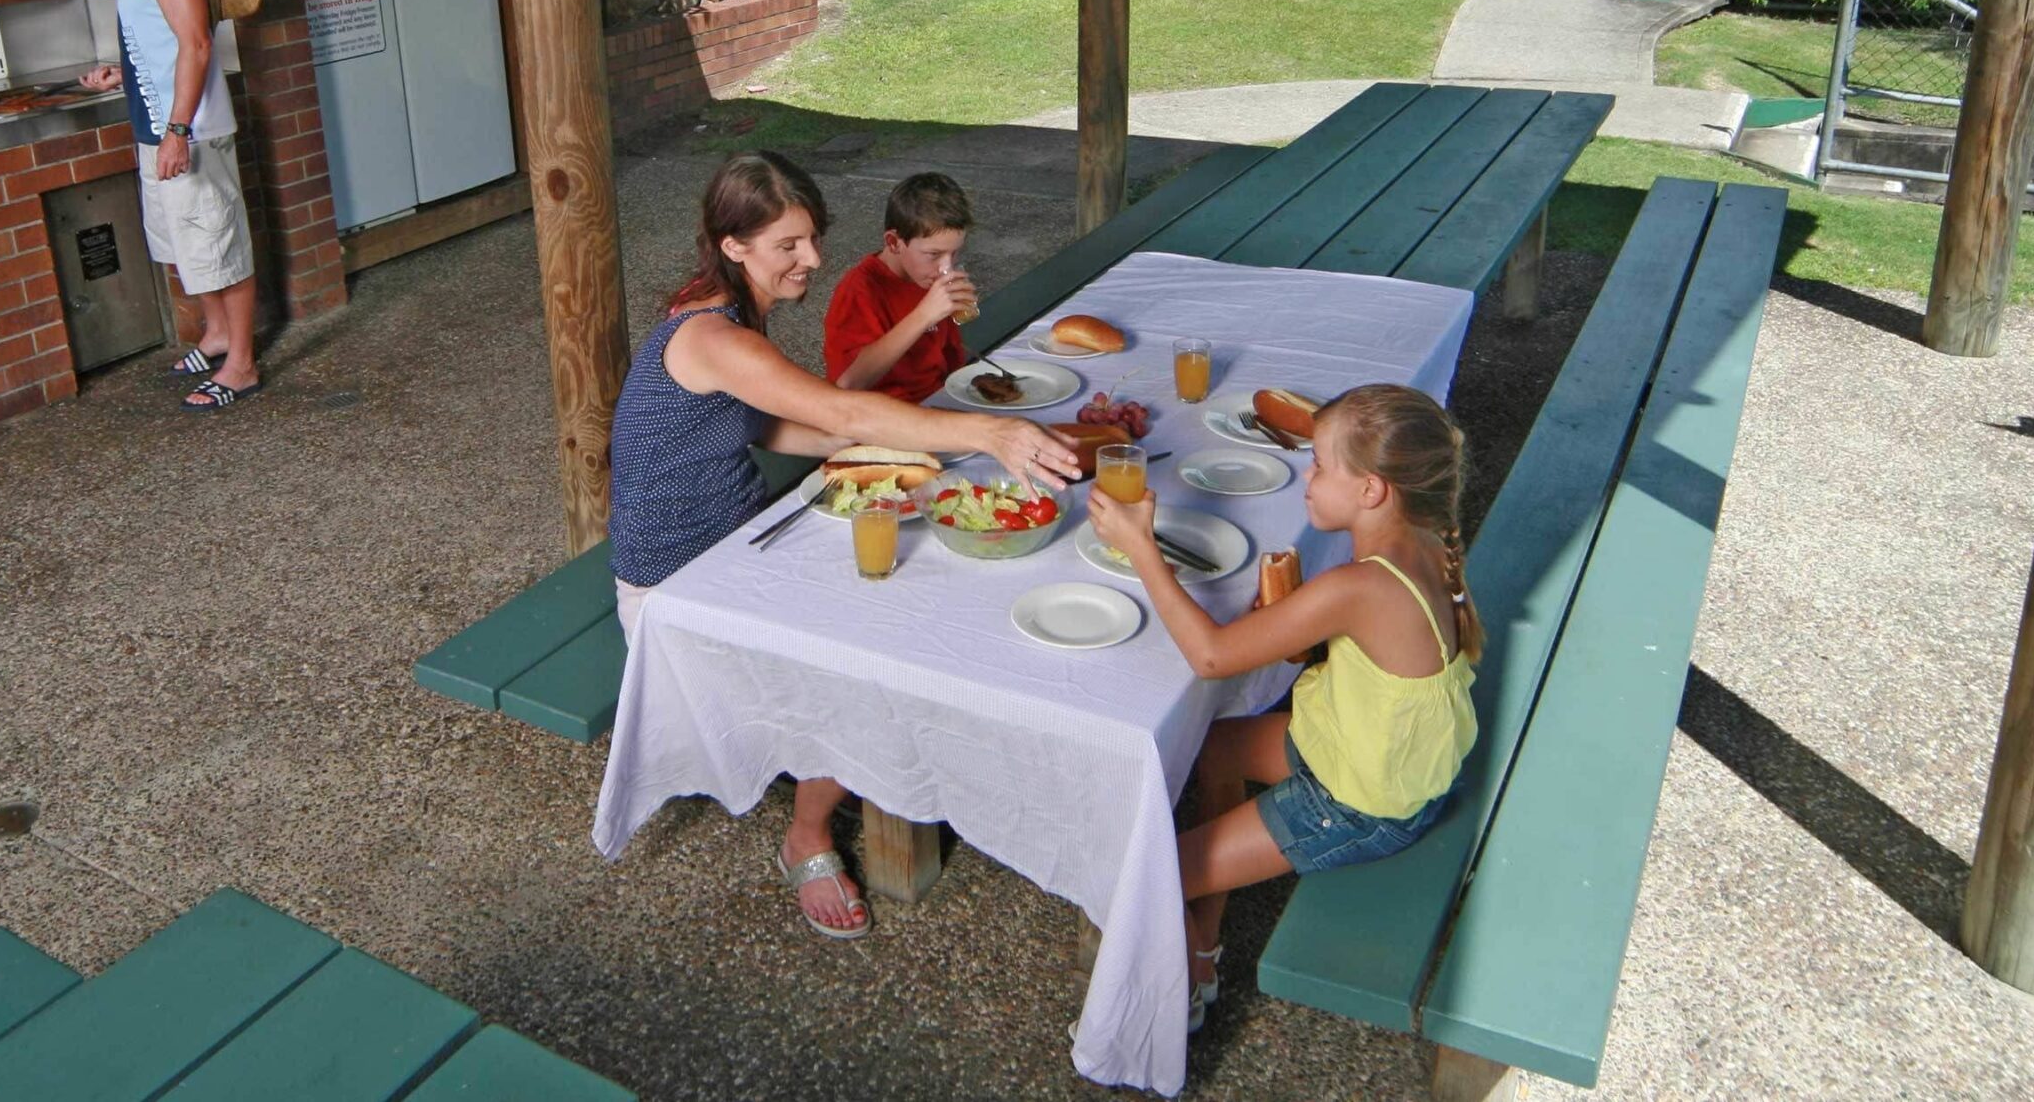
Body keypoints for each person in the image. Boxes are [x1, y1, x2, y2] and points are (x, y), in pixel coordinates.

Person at [611, 150, 1078, 942]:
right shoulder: (712, 335)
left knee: (904, 576)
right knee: (867, 645)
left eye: (813, 238)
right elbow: (845, 411)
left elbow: (791, 425)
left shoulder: (725, 310)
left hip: (735, 540)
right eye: (789, 244)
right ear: (734, 246)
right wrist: (987, 430)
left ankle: (905, 757)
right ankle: (810, 832)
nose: (814, 259)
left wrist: (922, 454)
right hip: (676, 585)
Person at [1087, 384, 1482, 1031]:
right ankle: (1208, 935)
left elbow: (1211, 657)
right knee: (1214, 746)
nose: (1309, 474)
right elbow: (1366, 651)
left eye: (1322, 465)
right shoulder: (1427, 544)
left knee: (1146, 876)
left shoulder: (1357, 585)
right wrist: (1293, 621)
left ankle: (1186, 976)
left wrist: (1141, 549)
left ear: (1372, 490)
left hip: (1358, 803)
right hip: (1379, 751)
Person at [72, 0, 260, 410]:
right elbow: (159, 41)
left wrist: (178, 128)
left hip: (190, 130)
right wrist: (121, 76)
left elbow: (197, 41)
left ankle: (243, 365)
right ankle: (219, 334)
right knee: (190, 246)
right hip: (159, 127)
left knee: (220, 243)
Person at [822, 172, 976, 402]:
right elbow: (848, 384)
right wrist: (924, 315)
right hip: (886, 416)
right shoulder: (860, 290)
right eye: (933, 254)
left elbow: (950, 359)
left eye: (954, 253)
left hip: (936, 402)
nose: (946, 266)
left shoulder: (926, 278)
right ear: (894, 242)